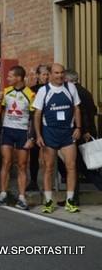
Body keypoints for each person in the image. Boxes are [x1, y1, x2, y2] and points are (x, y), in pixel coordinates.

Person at [33, 63, 81, 214]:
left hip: (67, 133)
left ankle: (70, 201)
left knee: (71, 167)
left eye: (62, 73)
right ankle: (48, 201)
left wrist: (78, 128)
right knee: (49, 168)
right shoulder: (43, 90)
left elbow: (77, 108)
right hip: (50, 133)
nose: (60, 76)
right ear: (50, 74)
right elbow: (37, 114)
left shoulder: (70, 87)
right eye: (56, 73)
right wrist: (38, 135)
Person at [0, 66, 35, 210]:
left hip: (22, 132)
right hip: (7, 130)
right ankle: (3, 193)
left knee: (22, 165)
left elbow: (33, 118)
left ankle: (22, 197)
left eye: (11, 76)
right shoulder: (6, 91)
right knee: (6, 162)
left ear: (19, 78)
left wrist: (31, 137)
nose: (8, 78)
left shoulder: (30, 94)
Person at [64, 69, 98, 205]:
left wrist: (85, 131)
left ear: (69, 80)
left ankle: (73, 199)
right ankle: (73, 198)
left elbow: (83, 114)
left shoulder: (75, 93)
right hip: (87, 133)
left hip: (82, 134)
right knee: (81, 167)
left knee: (80, 167)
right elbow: (93, 111)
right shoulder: (86, 92)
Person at [28, 64, 50, 191]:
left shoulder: (53, 88)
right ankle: (33, 181)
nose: (46, 77)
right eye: (43, 74)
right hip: (36, 125)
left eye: (47, 74)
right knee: (34, 154)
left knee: (51, 154)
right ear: (37, 75)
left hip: (50, 126)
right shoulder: (32, 90)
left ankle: (56, 181)